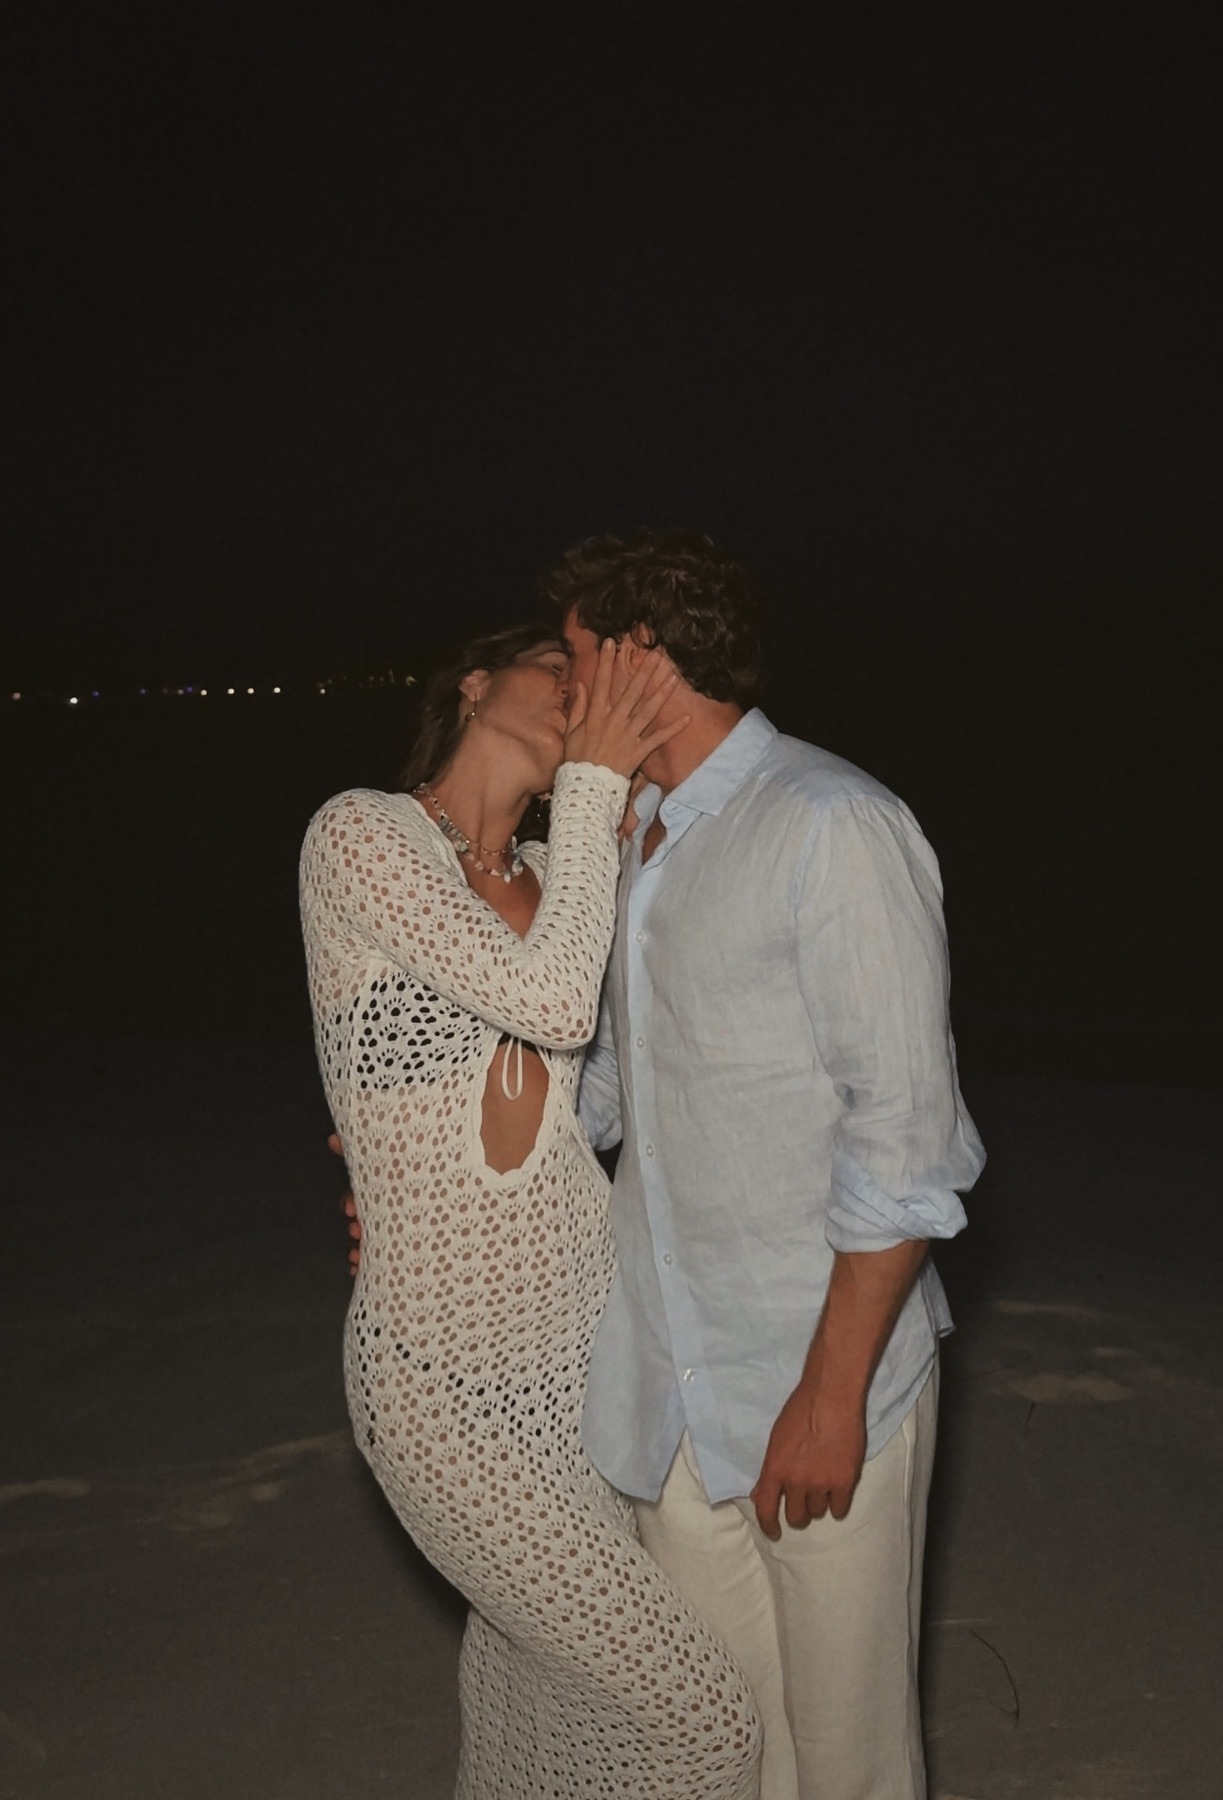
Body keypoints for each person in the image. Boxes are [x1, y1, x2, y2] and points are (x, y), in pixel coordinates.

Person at [545, 531, 987, 1800]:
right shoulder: (626, 838)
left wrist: (830, 1393)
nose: (561, 692)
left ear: (641, 655)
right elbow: (604, 1096)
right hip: (668, 1386)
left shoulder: (832, 824)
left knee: (849, 1762)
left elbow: (906, 1144)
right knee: (719, 1749)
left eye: (575, 661)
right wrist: (429, 1155)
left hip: (817, 1374)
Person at [300, 622, 762, 1800]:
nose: (577, 693)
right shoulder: (360, 835)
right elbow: (551, 1002)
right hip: (441, 1385)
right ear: (472, 683)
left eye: (591, 683)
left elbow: (603, 1091)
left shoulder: (565, 874)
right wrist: (598, 785)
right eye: (555, 671)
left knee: (531, 1690)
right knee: (705, 1727)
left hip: (584, 1361)